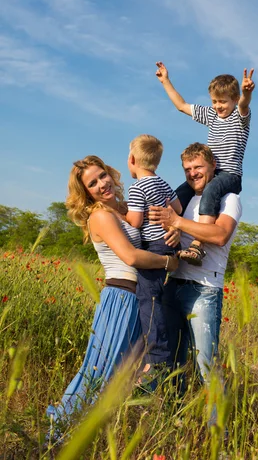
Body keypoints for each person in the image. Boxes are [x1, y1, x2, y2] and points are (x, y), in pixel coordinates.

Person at [47, 155, 179, 430]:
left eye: (102, 176)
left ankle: (100, 433)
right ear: (86, 192)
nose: (101, 184)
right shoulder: (101, 215)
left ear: (110, 173)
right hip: (119, 300)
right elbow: (130, 257)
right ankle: (59, 433)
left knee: (127, 376)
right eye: (92, 183)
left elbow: (154, 235)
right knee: (100, 371)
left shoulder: (126, 208)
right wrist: (169, 262)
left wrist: (174, 233)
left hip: (142, 299)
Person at [148, 143, 242, 383]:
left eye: (198, 166)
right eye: (187, 169)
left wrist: (177, 222)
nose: (193, 173)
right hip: (173, 284)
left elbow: (220, 235)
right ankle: (173, 416)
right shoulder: (183, 201)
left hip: (204, 288)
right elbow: (167, 226)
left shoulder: (228, 199)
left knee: (206, 366)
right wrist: (172, 228)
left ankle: (215, 420)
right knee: (171, 361)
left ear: (214, 166)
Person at [155, 62, 254, 265]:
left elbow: (244, 105)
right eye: (214, 101)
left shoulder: (239, 117)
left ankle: (198, 245)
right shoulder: (212, 115)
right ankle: (163, 236)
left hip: (229, 175)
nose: (218, 106)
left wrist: (246, 93)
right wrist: (165, 81)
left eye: (223, 102)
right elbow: (181, 106)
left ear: (234, 99)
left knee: (210, 191)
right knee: (178, 193)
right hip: (211, 172)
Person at [125, 134, 182, 371]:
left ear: (132, 159)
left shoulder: (137, 187)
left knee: (148, 299)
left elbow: (136, 221)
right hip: (169, 243)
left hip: (154, 246)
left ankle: (156, 357)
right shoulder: (163, 182)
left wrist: (121, 213)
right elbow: (177, 209)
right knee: (159, 296)